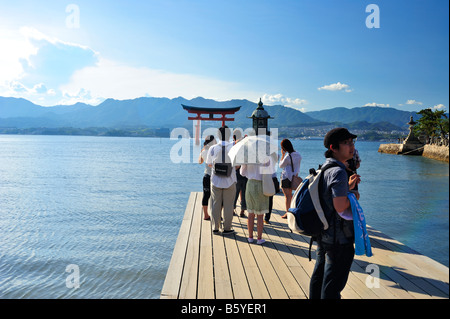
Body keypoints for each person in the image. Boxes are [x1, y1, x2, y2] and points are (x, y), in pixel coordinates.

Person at [309, 127, 361, 299]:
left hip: (323, 233)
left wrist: (348, 187)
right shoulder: (339, 172)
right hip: (339, 238)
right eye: (346, 143)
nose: (351, 146)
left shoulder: (326, 168)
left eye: (352, 142)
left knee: (319, 277)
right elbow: (340, 206)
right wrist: (354, 194)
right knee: (332, 286)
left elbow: (328, 198)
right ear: (333, 147)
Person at [206, 126, 237, 235]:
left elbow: (209, 163)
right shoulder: (234, 146)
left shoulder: (213, 148)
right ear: (229, 135)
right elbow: (237, 165)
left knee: (215, 204)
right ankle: (227, 228)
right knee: (229, 205)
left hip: (215, 180)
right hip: (230, 180)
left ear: (218, 135)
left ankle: (215, 227)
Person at [240, 155, 273, 245]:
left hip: (250, 183)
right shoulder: (266, 156)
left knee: (250, 213)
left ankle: (250, 237)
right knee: (260, 214)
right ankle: (259, 238)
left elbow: (242, 173)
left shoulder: (247, 157)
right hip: (262, 184)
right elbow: (270, 171)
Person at [279, 139, 302, 218]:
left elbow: (281, 165)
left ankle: (287, 213)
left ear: (284, 148)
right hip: (295, 176)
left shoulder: (288, 156)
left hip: (286, 177)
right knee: (291, 196)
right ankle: (291, 212)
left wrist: (282, 155)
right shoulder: (298, 154)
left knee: (287, 196)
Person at [198, 135, 216, 220]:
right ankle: (217, 215)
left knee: (206, 195)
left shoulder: (204, 151)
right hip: (215, 176)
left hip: (206, 176)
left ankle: (205, 215)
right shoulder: (214, 150)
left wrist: (201, 151)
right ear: (212, 141)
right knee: (216, 196)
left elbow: (200, 162)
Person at [233, 130, 247, 217]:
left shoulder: (235, 152)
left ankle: (232, 209)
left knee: (235, 193)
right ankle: (242, 211)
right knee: (244, 194)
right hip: (245, 176)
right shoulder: (246, 153)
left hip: (237, 175)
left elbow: (236, 166)